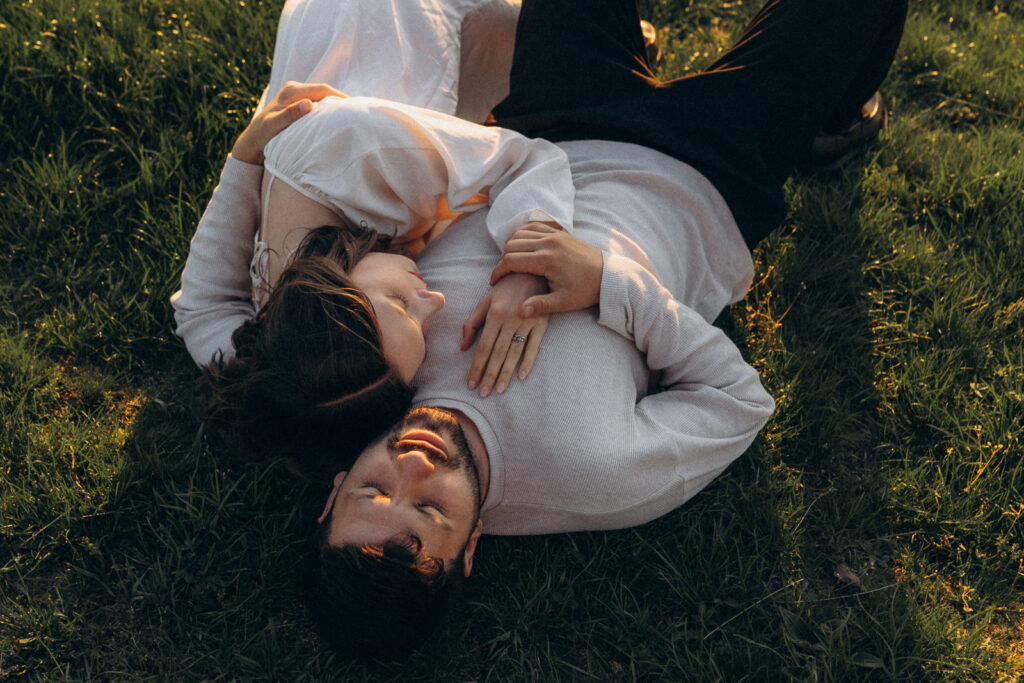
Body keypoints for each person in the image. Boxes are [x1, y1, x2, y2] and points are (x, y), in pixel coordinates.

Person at [305, 0, 908, 658]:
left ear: (334, 490)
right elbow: (738, 402)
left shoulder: (353, 383)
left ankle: (630, 49)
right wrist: (607, 283)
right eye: (429, 510)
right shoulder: (594, 471)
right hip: (704, 171)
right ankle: (833, 123)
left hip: (551, 121)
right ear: (471, 546)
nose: (412, 464)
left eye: (373, 488)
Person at [171, 0, 580, 479]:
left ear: (337, 284)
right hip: (380, 82)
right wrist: (246, 154)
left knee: (561, 51)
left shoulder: (361, 147)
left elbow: (528, 161)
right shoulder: (288, 345)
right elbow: (201, 315)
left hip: (390, 20)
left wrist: (529, 268)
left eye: (402, 304)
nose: (436, 300)